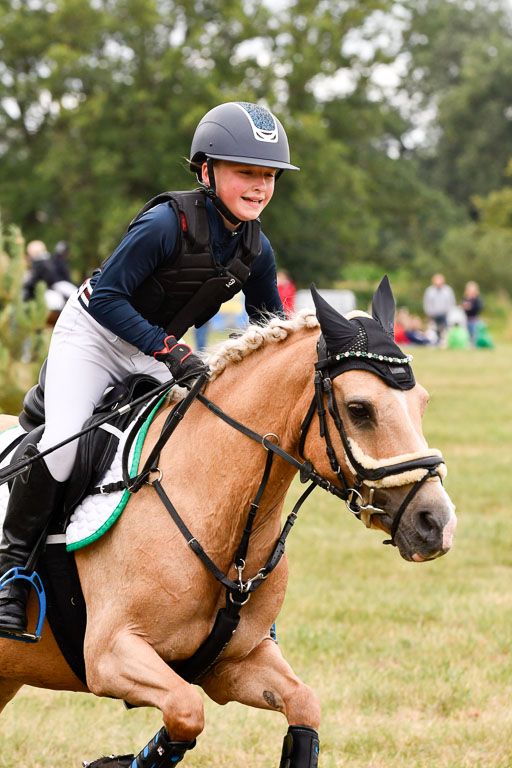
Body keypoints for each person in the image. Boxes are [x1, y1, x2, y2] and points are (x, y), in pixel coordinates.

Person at [0, 101, 300, 639]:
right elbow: (107, 299)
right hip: (93, 336)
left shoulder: (258, 250)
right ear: (206, 170)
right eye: (246, 172)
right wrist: (170, 351)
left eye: (269, 175)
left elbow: (268, 331)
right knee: (64, 446)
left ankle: (237, 600)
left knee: (204, 443)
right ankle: (12, 572)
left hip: (155, 351)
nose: (260, 186)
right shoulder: (167, 222)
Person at [423, 273, 455, 346]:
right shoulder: (429, 291)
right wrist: (428, 313)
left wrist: (449, 312)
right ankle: (435, 343)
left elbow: (451, 302)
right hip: (433, 315)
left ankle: (444, 344)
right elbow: (427, 303)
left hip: (445, 314)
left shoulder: (447, 290)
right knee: (434, 331)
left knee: (444, 331)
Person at [462, 281, 483, 346]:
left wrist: (471, 308)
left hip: (474, 319)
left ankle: (474, 345)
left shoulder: (477, 299)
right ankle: (468, 344)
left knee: (474, 334)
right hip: (466, 319)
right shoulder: (465, 298)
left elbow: (479, 308)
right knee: (467, 334)